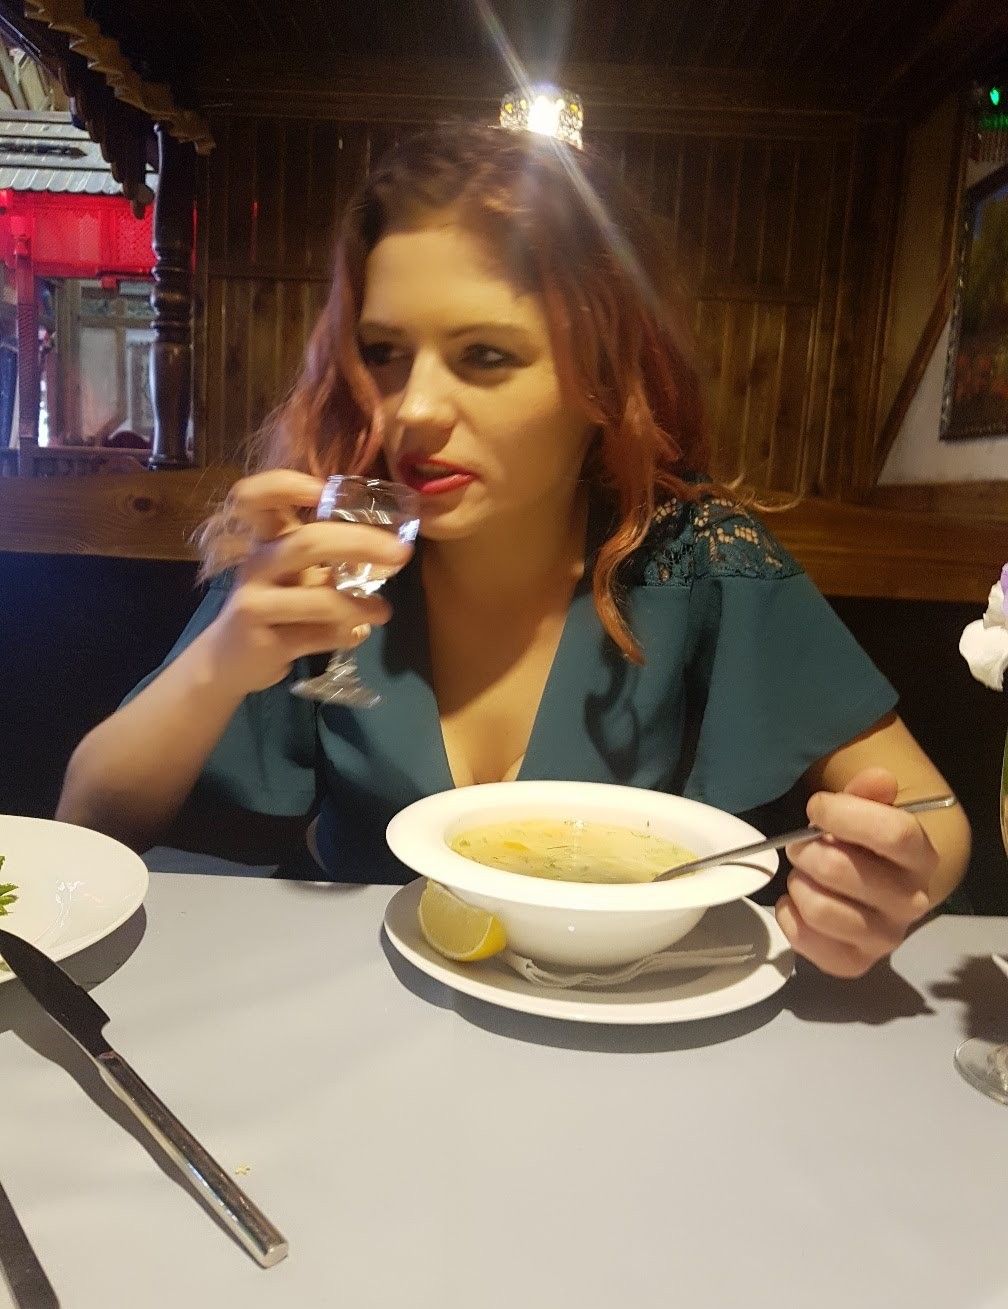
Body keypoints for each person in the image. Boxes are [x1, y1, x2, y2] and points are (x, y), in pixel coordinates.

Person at [57, 117, 970, 978]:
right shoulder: (336, 544)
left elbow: (934, 817)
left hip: (611, 1013)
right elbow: (89, 822)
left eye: (486, 356)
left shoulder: (693, 554)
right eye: (384, 352)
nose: (414, 410)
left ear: (603, 372)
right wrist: (223, 659)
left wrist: (885, 885)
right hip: (358, 1002)